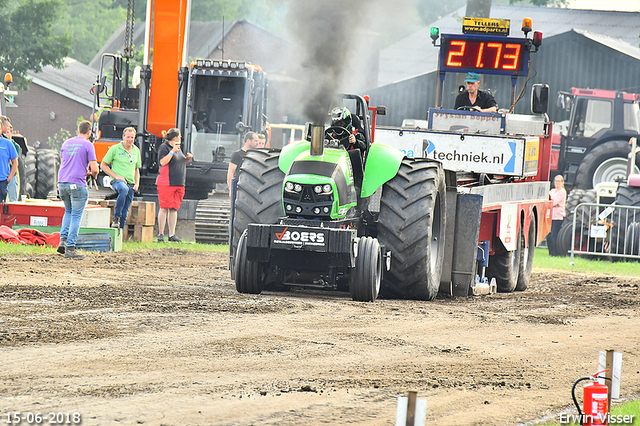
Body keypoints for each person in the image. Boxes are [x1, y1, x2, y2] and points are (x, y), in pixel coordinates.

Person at [56, 121, 99, 259]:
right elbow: (95, 168)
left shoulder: (66, 143)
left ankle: (62, 241)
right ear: (89, 132)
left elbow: (64, 162)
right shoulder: (88, 145)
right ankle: (71, 248)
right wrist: (94, 175)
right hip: (77, 183)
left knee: (68, 211)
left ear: (78, 130)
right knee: (76, 215)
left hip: (62, 182)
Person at [156, 128, 193, 242]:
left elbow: (178, 162)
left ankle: (172, 234)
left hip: (179, 182)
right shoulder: (165, 147)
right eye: (180, 137)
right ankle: (161, 234)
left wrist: (186, 159)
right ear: (176, 138)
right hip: (167, 182)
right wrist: (172, 151)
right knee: (164, 207)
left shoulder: (179, 149)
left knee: (173, 208)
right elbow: (163, 162)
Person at [101, 127, 141, 229]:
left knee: (126, 210)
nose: (130, 140)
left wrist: (137, 183)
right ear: (123, 137)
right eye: (128, 137)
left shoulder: (136, 151)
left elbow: (137, 169)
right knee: (123, 189)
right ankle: (116, 217)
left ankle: (119, 234)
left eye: (132, 137)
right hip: (118, 181)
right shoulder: (115, 149)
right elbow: (103, 165)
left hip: (130, 183)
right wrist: (116, 176)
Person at [227, 131, 259, 199]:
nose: (257, 143)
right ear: (248, 141)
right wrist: (231, 189)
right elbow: (231, 172)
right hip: (239, 186)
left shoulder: (256, 155)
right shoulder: (237, 155)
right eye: (255, 141)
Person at [547, 175, 567, 256]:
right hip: (550, 216)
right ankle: (550, 253)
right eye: (556, 181)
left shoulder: (562, 192)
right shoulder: (552, 191)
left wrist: (550, 202)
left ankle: (555, 253)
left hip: (558, 217)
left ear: (562, 182)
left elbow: (554, 202)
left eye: (559, 181)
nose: (557, 183)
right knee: (548, 236)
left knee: (554, 236)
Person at [2, 119, 21, 202]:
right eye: (4, 133)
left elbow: (13, 161)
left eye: (8, 132)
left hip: (11, 175)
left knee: (13, 199)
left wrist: (9, 178)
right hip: (2, 176)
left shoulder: (14, 145)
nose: (6, 135)